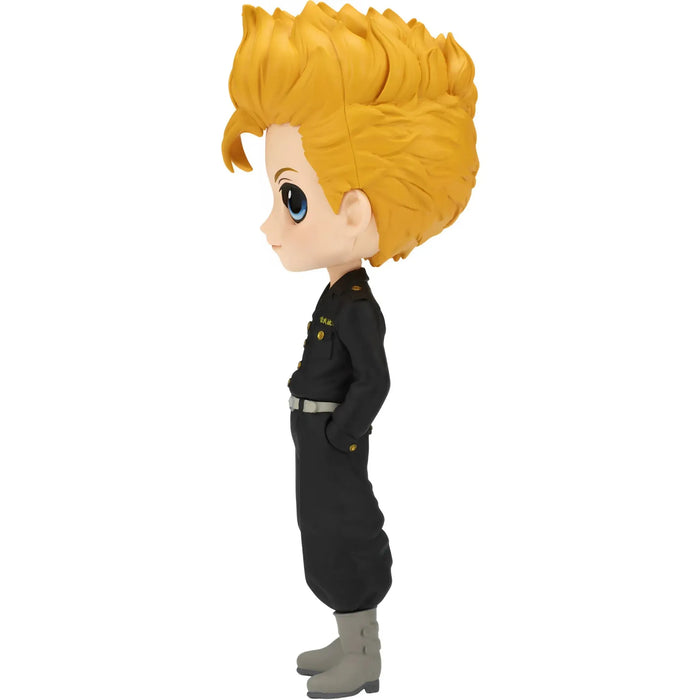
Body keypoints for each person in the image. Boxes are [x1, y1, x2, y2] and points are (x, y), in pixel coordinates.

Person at [221, 3, 478, 697]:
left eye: (292, 200)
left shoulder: (358, 307)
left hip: (333, 437)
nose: (271, 225)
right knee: (319, 532)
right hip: (316, 434)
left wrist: (341, 433)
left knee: (345, 530)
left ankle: (365, 653)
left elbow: (376, 378)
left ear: (356, 212)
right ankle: (346, 636)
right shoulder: (338, 296)